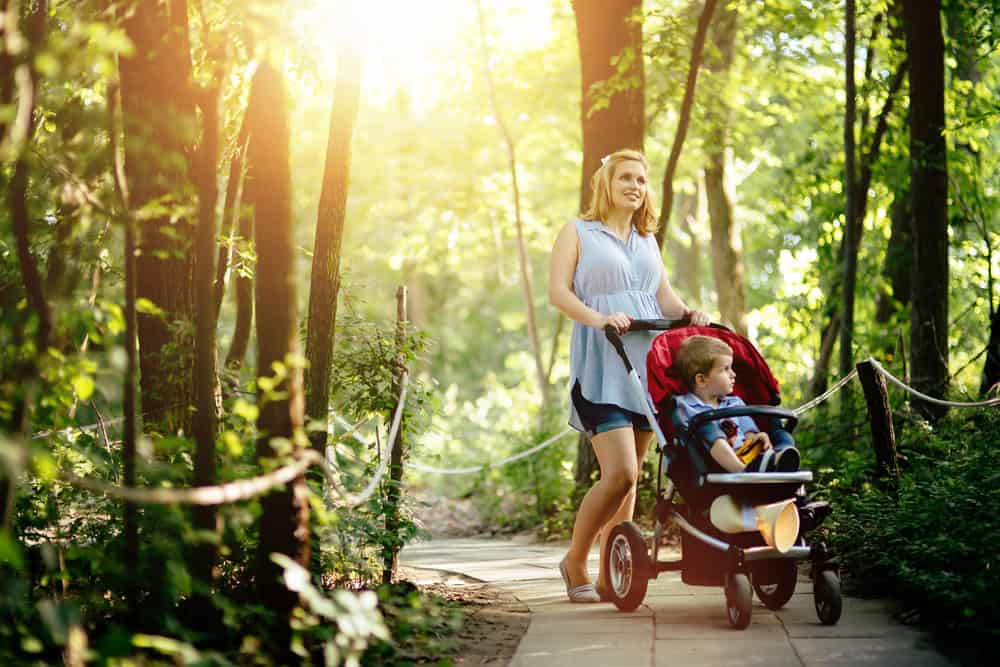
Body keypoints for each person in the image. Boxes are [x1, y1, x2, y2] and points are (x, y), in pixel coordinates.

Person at [548, 148, 710, 603]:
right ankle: (575, 559)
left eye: (641, 180)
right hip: (602, 366)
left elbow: (663, 299)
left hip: (646, 371)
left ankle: (611, 572)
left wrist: (691, 315)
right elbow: (558, 293)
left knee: (633, 476)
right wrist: (599, 318)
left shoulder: (646, 241)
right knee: (618, 473)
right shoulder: (578, 232)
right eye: (626, 179)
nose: (635, 187)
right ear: (607, 183)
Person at [672, 335, 800, 473]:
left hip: (747, 456)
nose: (733, 374)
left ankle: (782, 456)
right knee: (706, 426)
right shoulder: (684, 406)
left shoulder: (735, 403)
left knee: (781, 433)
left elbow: (749, 435)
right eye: (725, 369)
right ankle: (743, 472)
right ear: (701, 380)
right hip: (715, 464)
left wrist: (758, 439)